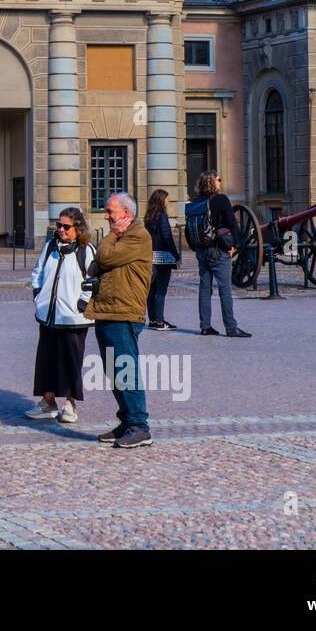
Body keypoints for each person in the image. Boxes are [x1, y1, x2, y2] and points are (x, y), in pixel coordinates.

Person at [86, 192, 154, 449]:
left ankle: (139, 426)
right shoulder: (122, 237)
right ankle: (126, 421)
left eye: (110, 211)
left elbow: (103, 258)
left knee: (126, 370)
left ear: (125, 213)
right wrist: (107, 252)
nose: (106, 216)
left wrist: (112, 237)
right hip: (107, 310)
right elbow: (93, 267)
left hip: (123, 312)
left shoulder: (138, 235)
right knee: (114, 373)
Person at [25, 208, 96, 424]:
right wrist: (39, 295)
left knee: (71, 362)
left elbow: (92, 280)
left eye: (66, 226)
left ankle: (70, 404)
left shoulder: (86, 250)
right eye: (59, 225)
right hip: (48, 315)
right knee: (46, 361)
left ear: (78, 228)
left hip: (73, 318)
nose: (61, 230)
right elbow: (37, 272)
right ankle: (48, 403)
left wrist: (82, 303)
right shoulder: (50, 247)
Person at [191, 171, 251, 338]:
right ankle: (231, 328)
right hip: (218, 249)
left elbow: (189, 229)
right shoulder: (220, 199)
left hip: (201, 250)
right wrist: (235, 245)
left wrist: (195, 246)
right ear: (212, 182)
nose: (220, 182)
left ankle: (205, 326)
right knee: (225, 289)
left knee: (204, 289)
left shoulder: (196, 202)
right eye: (218, 179)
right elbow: (232, 223)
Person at [144, 189, 179, 331]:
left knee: (152, 289)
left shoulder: (149, 216)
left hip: (151, 255)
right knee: (161, 290)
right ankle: (159, 321)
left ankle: (152, 319)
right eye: (166, 199)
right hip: (163, 257)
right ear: (161, 200)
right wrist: (175, 254)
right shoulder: (162, 216)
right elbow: (167, 237)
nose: (168, 201)